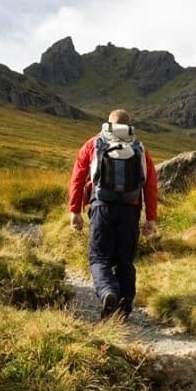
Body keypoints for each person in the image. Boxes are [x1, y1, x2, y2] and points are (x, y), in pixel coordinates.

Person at [67, 109, 159, 320]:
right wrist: (150, 218)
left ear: (108, 123)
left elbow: (78, 178)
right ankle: (124, 307)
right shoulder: (139, 148)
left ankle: (108, 292)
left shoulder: (94, 144)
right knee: (126, 260)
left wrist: (75, 211)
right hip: (130, 210)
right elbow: (150, 185)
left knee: (99, 258)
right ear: (128, 125)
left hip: (102, 207)